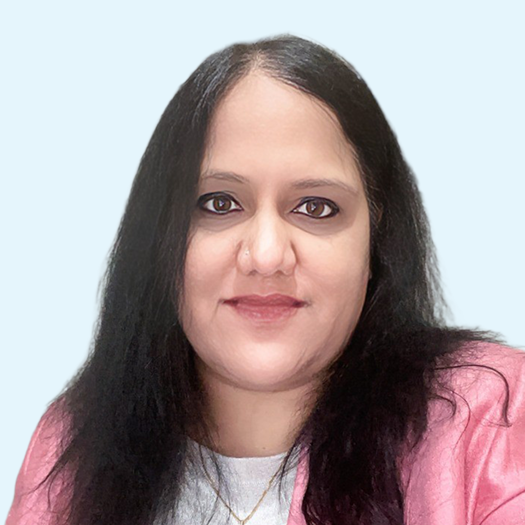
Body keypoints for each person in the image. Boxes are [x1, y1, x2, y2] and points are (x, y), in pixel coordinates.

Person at [6, 34, 525, 525]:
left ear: (376, 236)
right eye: (219, 203)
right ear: (160, 235)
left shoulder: (495, 420)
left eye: (316, 206)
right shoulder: (71, 444)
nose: (266, 256)